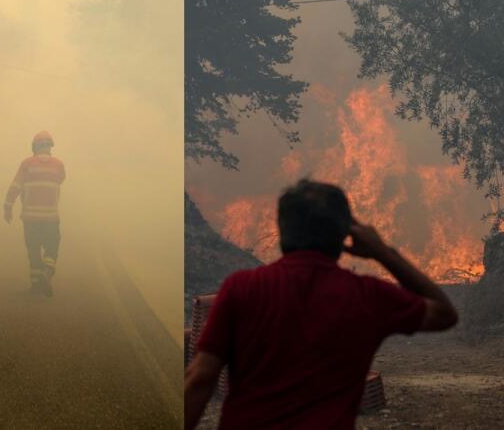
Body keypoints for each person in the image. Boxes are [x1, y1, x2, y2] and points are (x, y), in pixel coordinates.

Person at [185, 179, 458, 429]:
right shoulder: (368, 296)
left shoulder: (241, 288)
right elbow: (444, 313)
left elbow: (200, 379)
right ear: (344, 235)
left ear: (281, 231)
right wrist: (383, 253)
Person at [4, 131, 66, 297]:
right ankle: (47, 272)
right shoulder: (58, 165)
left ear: (34, 147)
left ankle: (35, 285)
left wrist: (8, 207)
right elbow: (61, 180)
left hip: (30, 218)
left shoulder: (26, 164)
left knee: (33, 250)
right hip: (51, 218)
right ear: (50, 146)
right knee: (52, 247)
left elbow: (15, 187)